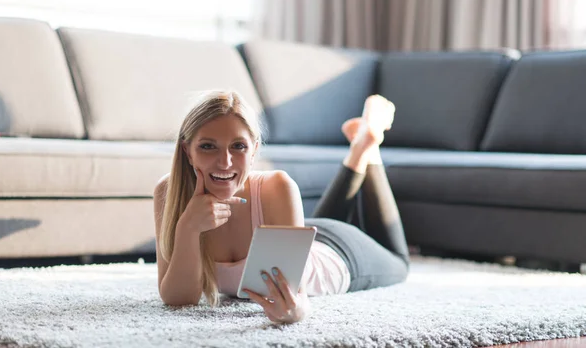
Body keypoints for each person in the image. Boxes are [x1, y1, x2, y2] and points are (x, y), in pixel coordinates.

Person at [153, 90, 409, 324]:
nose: (225, 162)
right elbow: (178, 300)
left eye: (238, 146)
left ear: (254, 150)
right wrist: (188, 228)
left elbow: (299, 297)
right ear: (187, 151)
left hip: (338, 256)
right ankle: (359, 147)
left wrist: (298, 311)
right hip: (308, 234)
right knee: (300, 241)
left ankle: (368, 147)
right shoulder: (169, 193)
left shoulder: (276, 187)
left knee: (400, 263)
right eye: (208, 146)